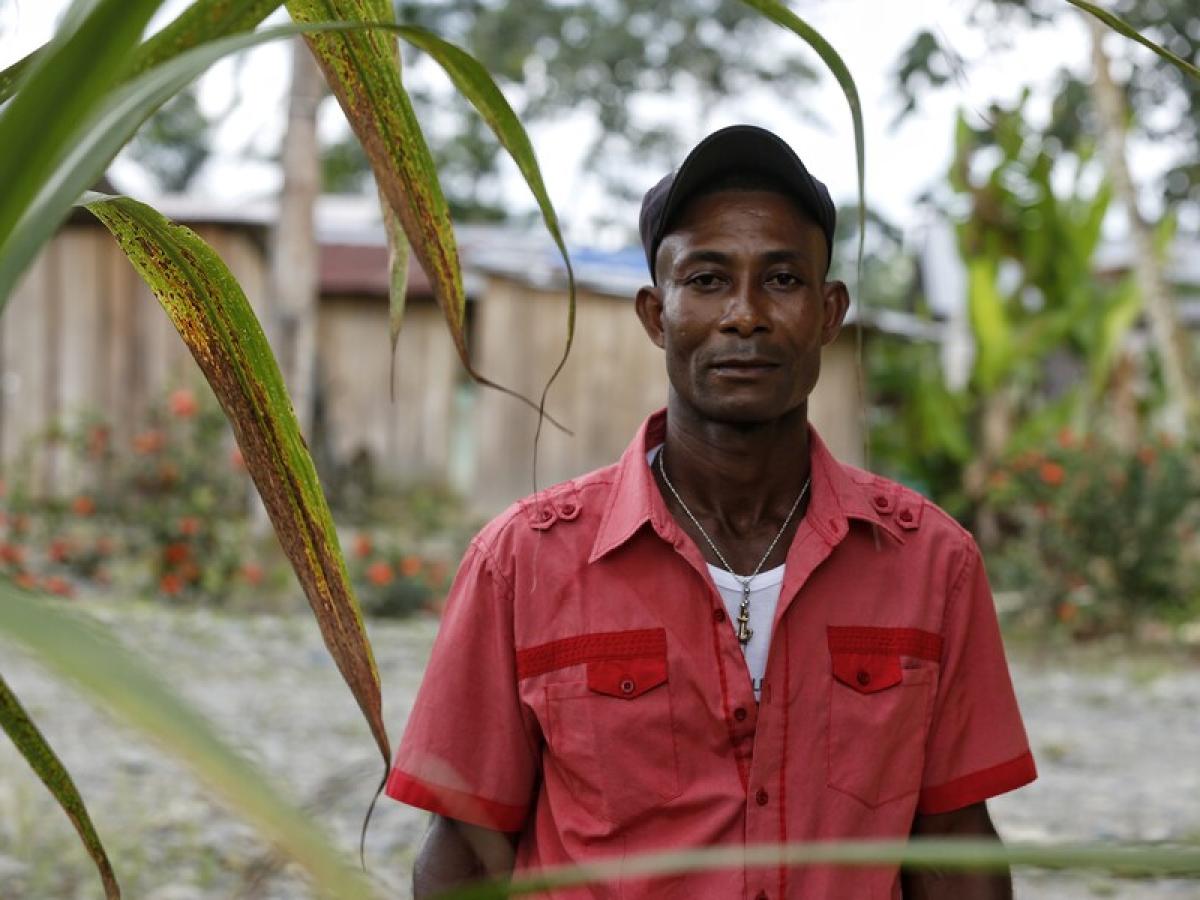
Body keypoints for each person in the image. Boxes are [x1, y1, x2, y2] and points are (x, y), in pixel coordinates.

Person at [386, 124, 1037, 899]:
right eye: (706, 279)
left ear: (830, 313)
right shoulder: (523, 562)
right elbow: (462, 853)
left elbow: (957, 850)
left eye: (784, 280)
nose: (745, 315)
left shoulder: (932, 563)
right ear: (656, 315)